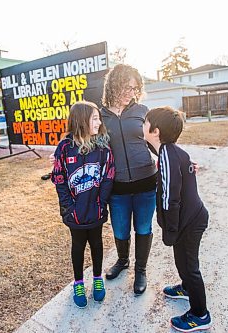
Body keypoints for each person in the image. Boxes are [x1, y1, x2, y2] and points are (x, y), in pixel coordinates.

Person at [142, 106, 212, 332]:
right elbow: (185, 164)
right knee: (181, 259)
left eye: (145, 122)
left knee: (190, 266)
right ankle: (186, 288)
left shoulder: (167, 157)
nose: (142, 125)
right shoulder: (169, 151)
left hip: (190, 221)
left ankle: (200, 314)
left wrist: (169, 230)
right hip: (187, 218)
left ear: (155, 130)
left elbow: (169, 197)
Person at [51, 101, 115, 308]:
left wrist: (100, 202)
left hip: (95, 209)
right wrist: (68, 207)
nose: (99, 122)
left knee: (96, 243)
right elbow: (59, 178)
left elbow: (108, 177)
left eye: (99, 118)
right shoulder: (64, 148)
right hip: (75, 212)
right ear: (81, 120)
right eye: (94, 118)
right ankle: (78, 283)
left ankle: (97, 280)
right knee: (78, 246)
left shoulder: (103, 147)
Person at [100, 64, 157, 295]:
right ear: (113, 85)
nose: (130, 93)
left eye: (134, 88)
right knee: (121, 229)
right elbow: (89, 143)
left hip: (146, 182)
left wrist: (179, 161)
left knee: (143, 227)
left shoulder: (143, 110)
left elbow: (156, 142)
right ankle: (123, 261)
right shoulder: (101, 115)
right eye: (126, 87)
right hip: (118, 186)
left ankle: (141, 270)